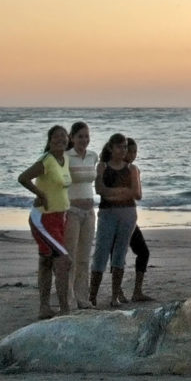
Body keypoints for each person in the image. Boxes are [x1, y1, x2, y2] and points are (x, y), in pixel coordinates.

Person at [17, 125, 72, 319]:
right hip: (43, 218)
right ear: (49, 141)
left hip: (59, 218)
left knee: (46, 262)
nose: (60, 140)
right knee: (63, 260)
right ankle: (65, 309)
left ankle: (44, 308)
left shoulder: (64, 160)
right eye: (56, 137)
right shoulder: (46, 160)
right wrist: (40, 194)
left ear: (68, 140)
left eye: (63, 137)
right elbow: (23, 178)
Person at [89, 133, 142, 307]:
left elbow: (135, 193)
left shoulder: (131, 169)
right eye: (119, 146)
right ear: (111, 148)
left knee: (120, 254)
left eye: (125, 147)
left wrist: (112, 192)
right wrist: (120, 192)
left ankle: (114, 296)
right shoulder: (102, 166)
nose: (123, 150)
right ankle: (92, 297)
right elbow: (99, 189)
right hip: (107, 213)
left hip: (127, 213)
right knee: (101, 253)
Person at [64, 121, 97, 309]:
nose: (84, 140)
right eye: (80, 136)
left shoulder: (93, 156)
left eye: (86, 136)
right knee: (70, 256)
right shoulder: (67, 156)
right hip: (72, 212)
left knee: (84, 257)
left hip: (89, 212)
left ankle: (82, 298)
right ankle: (68, 299)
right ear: (72, 138)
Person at [123, 138, 154, 302]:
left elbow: (138, 195)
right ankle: (118, 291)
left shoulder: (134, 169)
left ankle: (137, 291)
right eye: (130, 151)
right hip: (117, 216)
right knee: (118, 255)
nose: (133, 155)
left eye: (135, 152)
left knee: (143, 252)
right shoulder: (113, 168)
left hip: (130, 216)